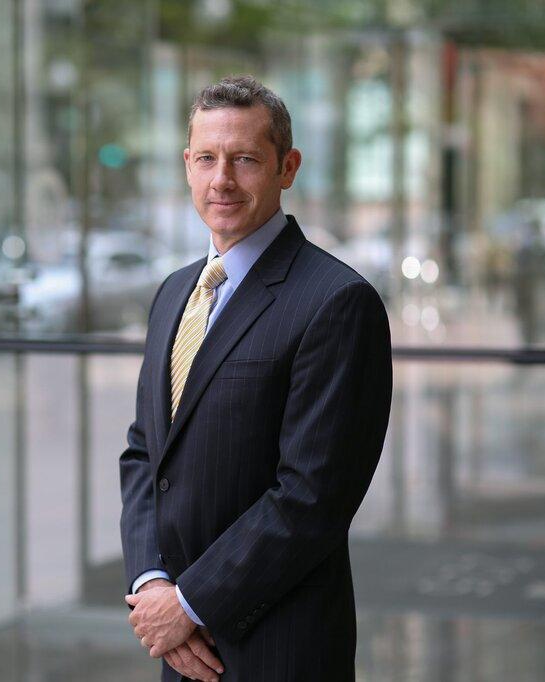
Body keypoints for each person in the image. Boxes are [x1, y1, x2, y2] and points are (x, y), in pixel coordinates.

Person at [120, 75, 392, 681]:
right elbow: (144, 452)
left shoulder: (336, 302)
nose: (221, 179)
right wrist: (151, 583)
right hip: (178, 643)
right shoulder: (174, 294)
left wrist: (190, 605)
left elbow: (312, 497)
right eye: (206, 159)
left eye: (244, 159)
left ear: (286, 168)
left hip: (277, 650)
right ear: (186, 166)